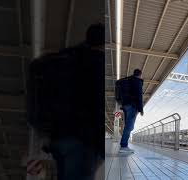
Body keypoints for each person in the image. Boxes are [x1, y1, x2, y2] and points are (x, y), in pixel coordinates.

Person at [28, 23, 104, 180]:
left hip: (57, 137)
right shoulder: (97, 63)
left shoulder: (61, 59)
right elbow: (98, 106)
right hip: (83, 139)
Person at [119, 69, 144, 153]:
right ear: (140, 74)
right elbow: (139, 96)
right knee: (129, 126)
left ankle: (124, 145)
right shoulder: (138, 81)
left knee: (128, 126)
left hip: (125, 106)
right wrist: (141, 109)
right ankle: (124, 146)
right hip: (132, 106)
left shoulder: (127, 80)